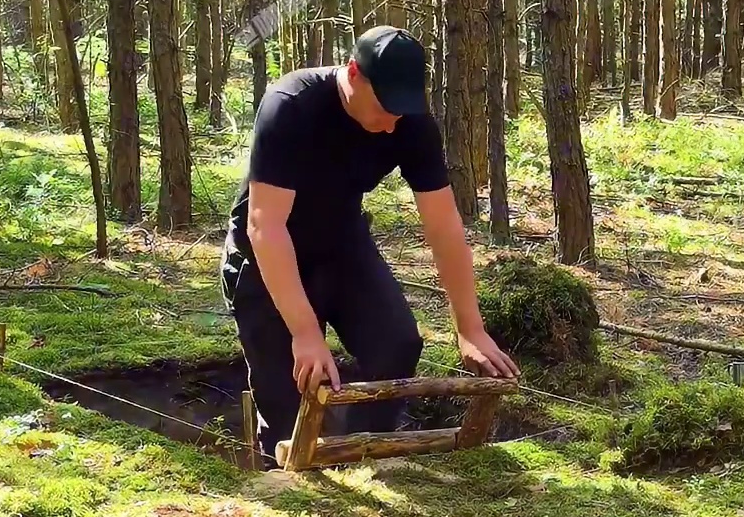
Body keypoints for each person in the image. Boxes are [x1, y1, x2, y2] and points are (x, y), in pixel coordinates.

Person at [220, 24, 520, 465]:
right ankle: (282, 478)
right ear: (354, 74)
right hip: (267, 258)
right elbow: (266, 226)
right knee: (290, 395)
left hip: (342, 244)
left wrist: (469, 329)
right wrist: (305, 332)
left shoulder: (410, 125)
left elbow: (444, 227)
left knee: (396, 344)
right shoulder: (292, 107)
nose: (392, 122)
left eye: (403, 109)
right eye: (385, 107)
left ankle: (361, 457)